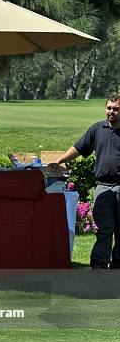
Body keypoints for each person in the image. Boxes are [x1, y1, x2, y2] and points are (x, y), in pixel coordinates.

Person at [50, 96, 120, 269]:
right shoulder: (97, 128)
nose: (112, 112)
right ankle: (99, 267)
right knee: (104, 230)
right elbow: (79, 148)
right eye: (109, 108)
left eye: (116, 109)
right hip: (102, 187)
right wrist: (59, 160)